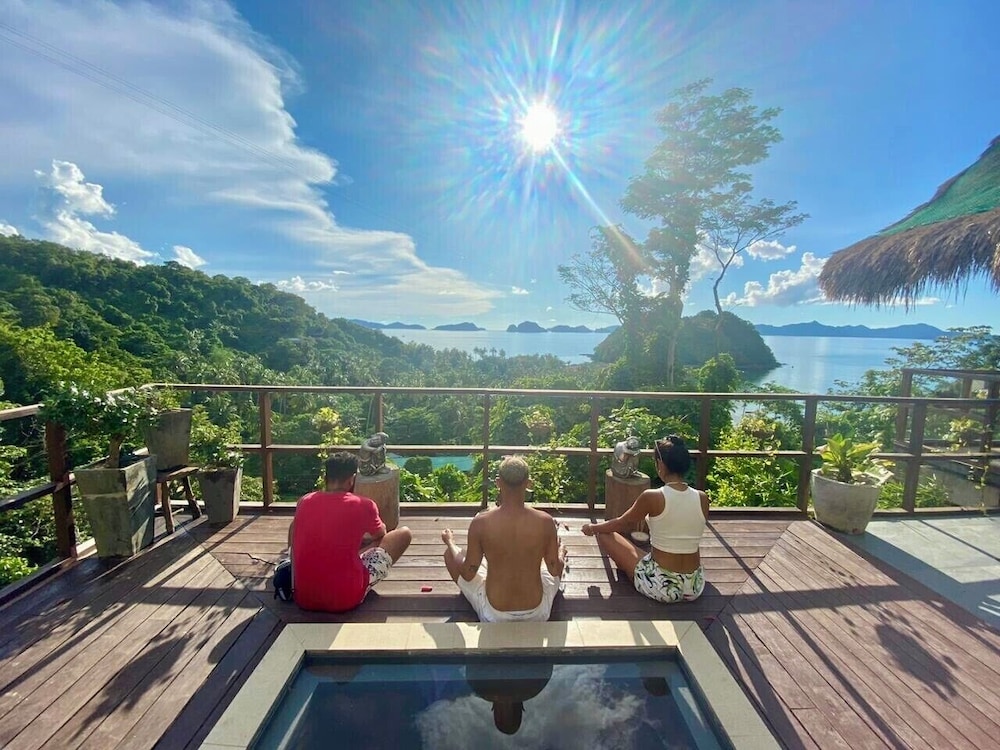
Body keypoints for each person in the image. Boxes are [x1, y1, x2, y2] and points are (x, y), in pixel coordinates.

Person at [583, 436, 709, 603]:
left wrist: (593, 528)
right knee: (644, 553)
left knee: (605, 534)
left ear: (661, 464)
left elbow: (621, 522)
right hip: (694, 585)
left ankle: (632, 572)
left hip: (662, 586)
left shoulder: (653, 496)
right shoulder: (702, 497)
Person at [441, 455, 567, 622]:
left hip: (494, 615)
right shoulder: (545, 521)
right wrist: (561, 552)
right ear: (529, 483)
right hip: (537, 613)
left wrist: (450, 542)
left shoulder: (481, 522)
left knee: (451, 555)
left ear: (498, 483)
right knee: (551, 559)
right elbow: (555, 570)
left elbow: (467, 573)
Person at [289, 452, 412, 612]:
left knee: (295, 525)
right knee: (403, 534)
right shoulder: (364, 505)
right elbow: (380, 534)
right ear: (352, 479)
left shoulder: (305, 501)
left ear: (326, 477)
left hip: (305, 598)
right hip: (345, 598)